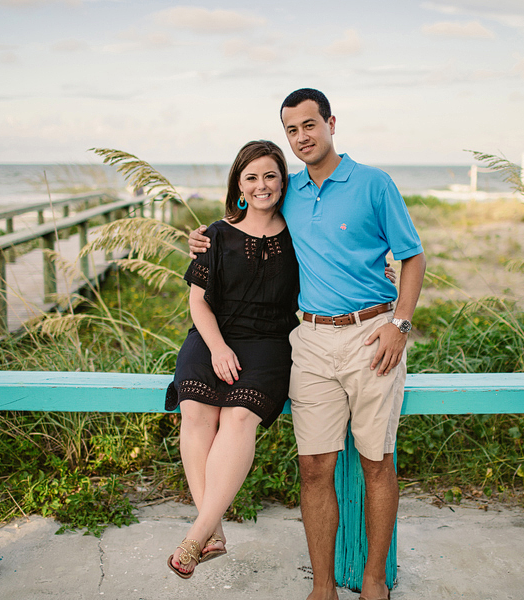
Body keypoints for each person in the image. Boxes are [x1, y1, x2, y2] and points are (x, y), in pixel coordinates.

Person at [189, 88, 427, 600]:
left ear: (331, 123)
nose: (301, 137)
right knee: (314, 466)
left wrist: (400, 324)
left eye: (309, 125)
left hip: (371, 335)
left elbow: (412, 256)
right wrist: (206, 237)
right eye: (291, 130)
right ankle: (322, 589)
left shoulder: (373, 183)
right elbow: (248, 216)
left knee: (376, 463)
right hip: (311, 340)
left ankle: (374, 580)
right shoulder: (289, 189)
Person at [165, 140, 301, 578]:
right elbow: (198, 302)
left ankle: (197, 534)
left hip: (270, 342)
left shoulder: (299, 232)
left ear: (283, 181)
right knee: (196, 411)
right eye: (252, 177)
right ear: (239, 185)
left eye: (270, 175)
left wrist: (379, 270)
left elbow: (341, 262)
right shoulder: (215, 234)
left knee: (239, 417)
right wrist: (219, 347)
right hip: (211, 337)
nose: (262, 185)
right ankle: (214, 529)